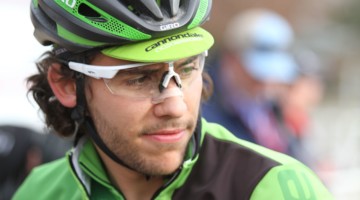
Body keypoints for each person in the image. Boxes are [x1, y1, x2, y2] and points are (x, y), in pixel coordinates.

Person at [14, 1, 332, 199]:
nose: (176, 106)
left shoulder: (273, 187)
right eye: (138, 78)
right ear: (67, 84)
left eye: (188, 67)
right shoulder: (40, 191)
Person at [202, 8, 300, 156]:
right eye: (257, 74)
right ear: (231, 59)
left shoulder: (272, 108)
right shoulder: (201, 107)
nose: (267, 82)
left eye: (275, 73)